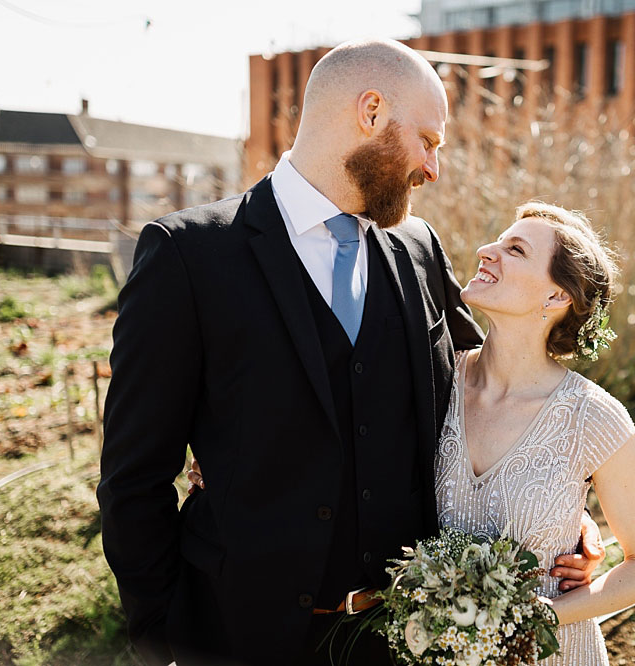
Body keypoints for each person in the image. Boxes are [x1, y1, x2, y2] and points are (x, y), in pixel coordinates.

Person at [97, 38, 604, 666]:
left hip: (403, 638)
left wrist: (563, 515)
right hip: (238, 640)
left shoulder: (417, 249)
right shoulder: (188, 256)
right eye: (427, 141)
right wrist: (164, 639)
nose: (432, 168)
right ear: (370, 113)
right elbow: (132, 479)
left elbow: (499, 397)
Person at [192, 201, 635, 664]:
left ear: (556, 297)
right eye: (497, 241)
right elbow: (336, 431)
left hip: (550, 653)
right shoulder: (432, 380)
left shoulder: (594, 418)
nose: (487, 250)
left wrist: (541, 614)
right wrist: (236, 455)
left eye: (516, 250)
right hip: (431, 651)